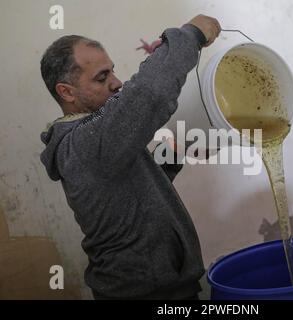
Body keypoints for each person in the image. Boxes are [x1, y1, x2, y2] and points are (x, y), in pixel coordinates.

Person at [39, 14, 221, 300]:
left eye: (112, 71)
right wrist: (190, 35)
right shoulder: (82, 142)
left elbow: (134, 187)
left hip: (165, 286)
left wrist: (176, 149)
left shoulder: (95, 138)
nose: (117, 83)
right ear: (66, 92)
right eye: (102, 77)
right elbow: (150, 93)